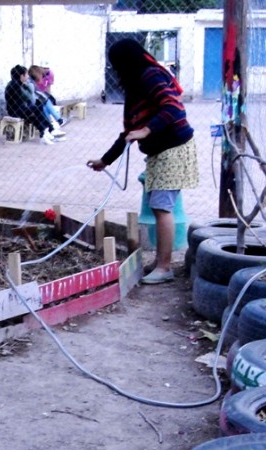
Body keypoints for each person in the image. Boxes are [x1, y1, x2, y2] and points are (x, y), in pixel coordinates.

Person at [87, 39, 199, 284]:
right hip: (161, 152)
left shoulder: (150, 76)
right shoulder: (137, 83)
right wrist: (105, 161)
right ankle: (162, 261)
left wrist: (148, 130)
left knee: (161, 208)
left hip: (174, 149)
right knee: (160, 206)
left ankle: (164, 267)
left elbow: (173, 108)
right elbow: (128, 133)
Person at [5, 64, 63, 145]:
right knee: (36, 110)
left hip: (21, 109)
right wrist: (29, 86)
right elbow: (29, 98)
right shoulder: (16, 86)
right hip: (16, 111)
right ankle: (47, 131)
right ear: (21, 76)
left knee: (37, 110)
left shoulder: (17, 84)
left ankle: (46, 132)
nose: (27, 77)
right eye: (26, 75)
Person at [28, 64, 65, 129]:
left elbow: (41, 93)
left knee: (45, 103)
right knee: (45, 103)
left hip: (38, 101)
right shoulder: (31, 83)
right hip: (32, 103)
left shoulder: (32, 81)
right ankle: (58, 120)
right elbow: (33, 97)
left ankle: (51, 124)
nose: (42, 75)